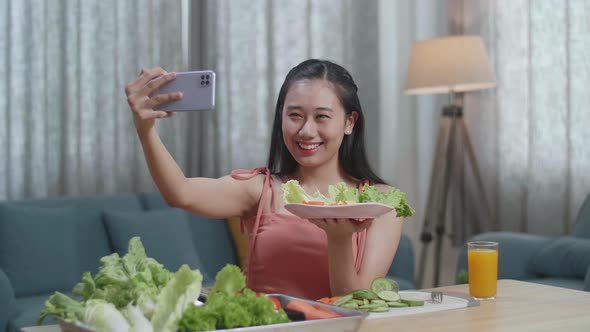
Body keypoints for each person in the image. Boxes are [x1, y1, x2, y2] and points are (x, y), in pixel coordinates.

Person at [124, 59, 406, 300]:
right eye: (294, 115)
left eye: (322, 117)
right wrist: (146, 130)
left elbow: (353, 305)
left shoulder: (380, 203)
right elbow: (180, 193)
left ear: (349, 122)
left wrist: (340, 238)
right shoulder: (262, 189)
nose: (306, 131)